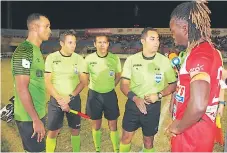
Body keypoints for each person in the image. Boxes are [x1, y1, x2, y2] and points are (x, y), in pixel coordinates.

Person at [166, 1, 223, 152]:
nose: (173, 36)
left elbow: (198, 105)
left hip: (192, 135)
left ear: (185, 28)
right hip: (199, 130)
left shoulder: (200, 55)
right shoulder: (208, 51)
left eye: (173, 31)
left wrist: (178, 127)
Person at [119, 27, 177, 152]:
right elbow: (123, 85)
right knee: (125, 137)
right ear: (143, 41)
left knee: (148, 141)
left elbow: (173, 84)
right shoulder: (131, 60)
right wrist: (135, 98)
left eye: (157, 39)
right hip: (133, 105)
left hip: (153, 107)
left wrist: (159, 95)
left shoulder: (164, 61)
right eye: (152, 39)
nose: (157, 42)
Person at [11, 13, 51, 152]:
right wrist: (35, 120)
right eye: (46, 26)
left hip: (37, 113)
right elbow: (22, 88)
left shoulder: (36, 50)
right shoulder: (25, 51)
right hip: (29, 117)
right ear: (34, 27)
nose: (49, 30)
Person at [45, 30, 87, 152]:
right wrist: (59, 99)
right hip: (55, 100)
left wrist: (70, 97)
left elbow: (83, 82)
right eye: (70, 42)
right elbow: (47, 81)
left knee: (75, 130)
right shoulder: (51, 58)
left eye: (74, 42)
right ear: (61, 43)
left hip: (73, 99)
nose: (73, 45)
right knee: (53, 131)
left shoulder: (79, 59)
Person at [85, 35, 121, 152]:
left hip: (110, 95)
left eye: (104, 42)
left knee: (113, 125)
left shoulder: (114, 58)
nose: (102, 45)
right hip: (94, 95)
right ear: (95, 44)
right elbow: (85, 76)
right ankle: (98, 149)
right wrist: (94, 85)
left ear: (108, 44)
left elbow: (118, 75)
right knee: (96, 124)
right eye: (99, 42)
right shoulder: (89, 59)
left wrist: (111, 86)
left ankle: (116, 149)